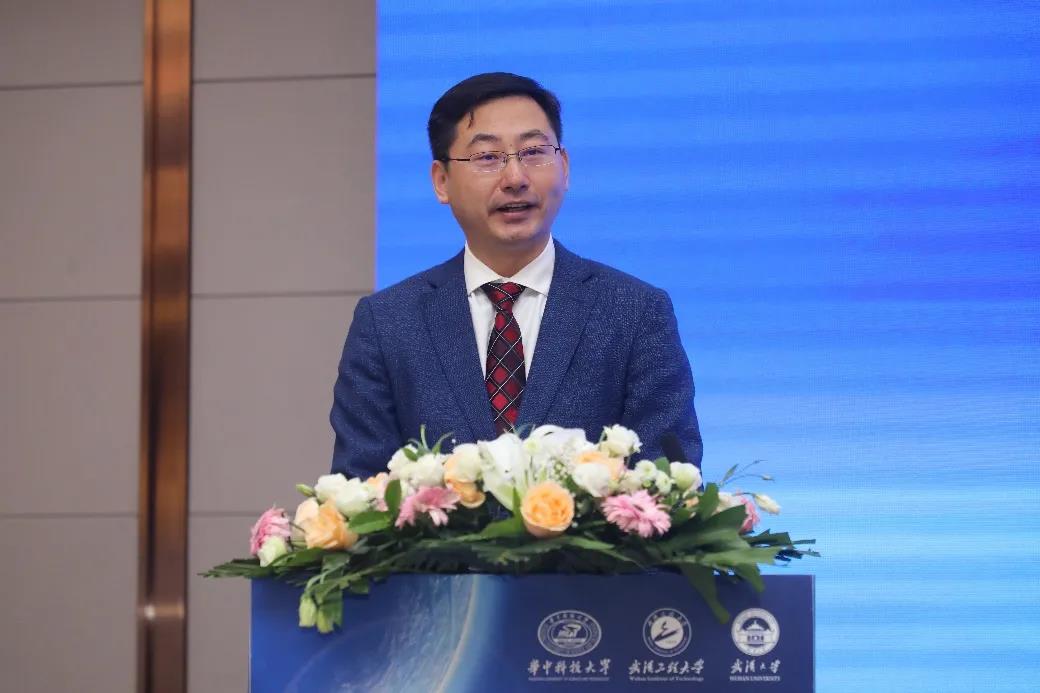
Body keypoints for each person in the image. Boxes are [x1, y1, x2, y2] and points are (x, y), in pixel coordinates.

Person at [330, 72, 701, 478]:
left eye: (534, 152)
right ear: (441, 181)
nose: (515, 179)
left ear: (564, 167)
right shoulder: (388, 322)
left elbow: (668, 486)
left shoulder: (635, 312)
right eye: (487, 157)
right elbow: (361, 489)